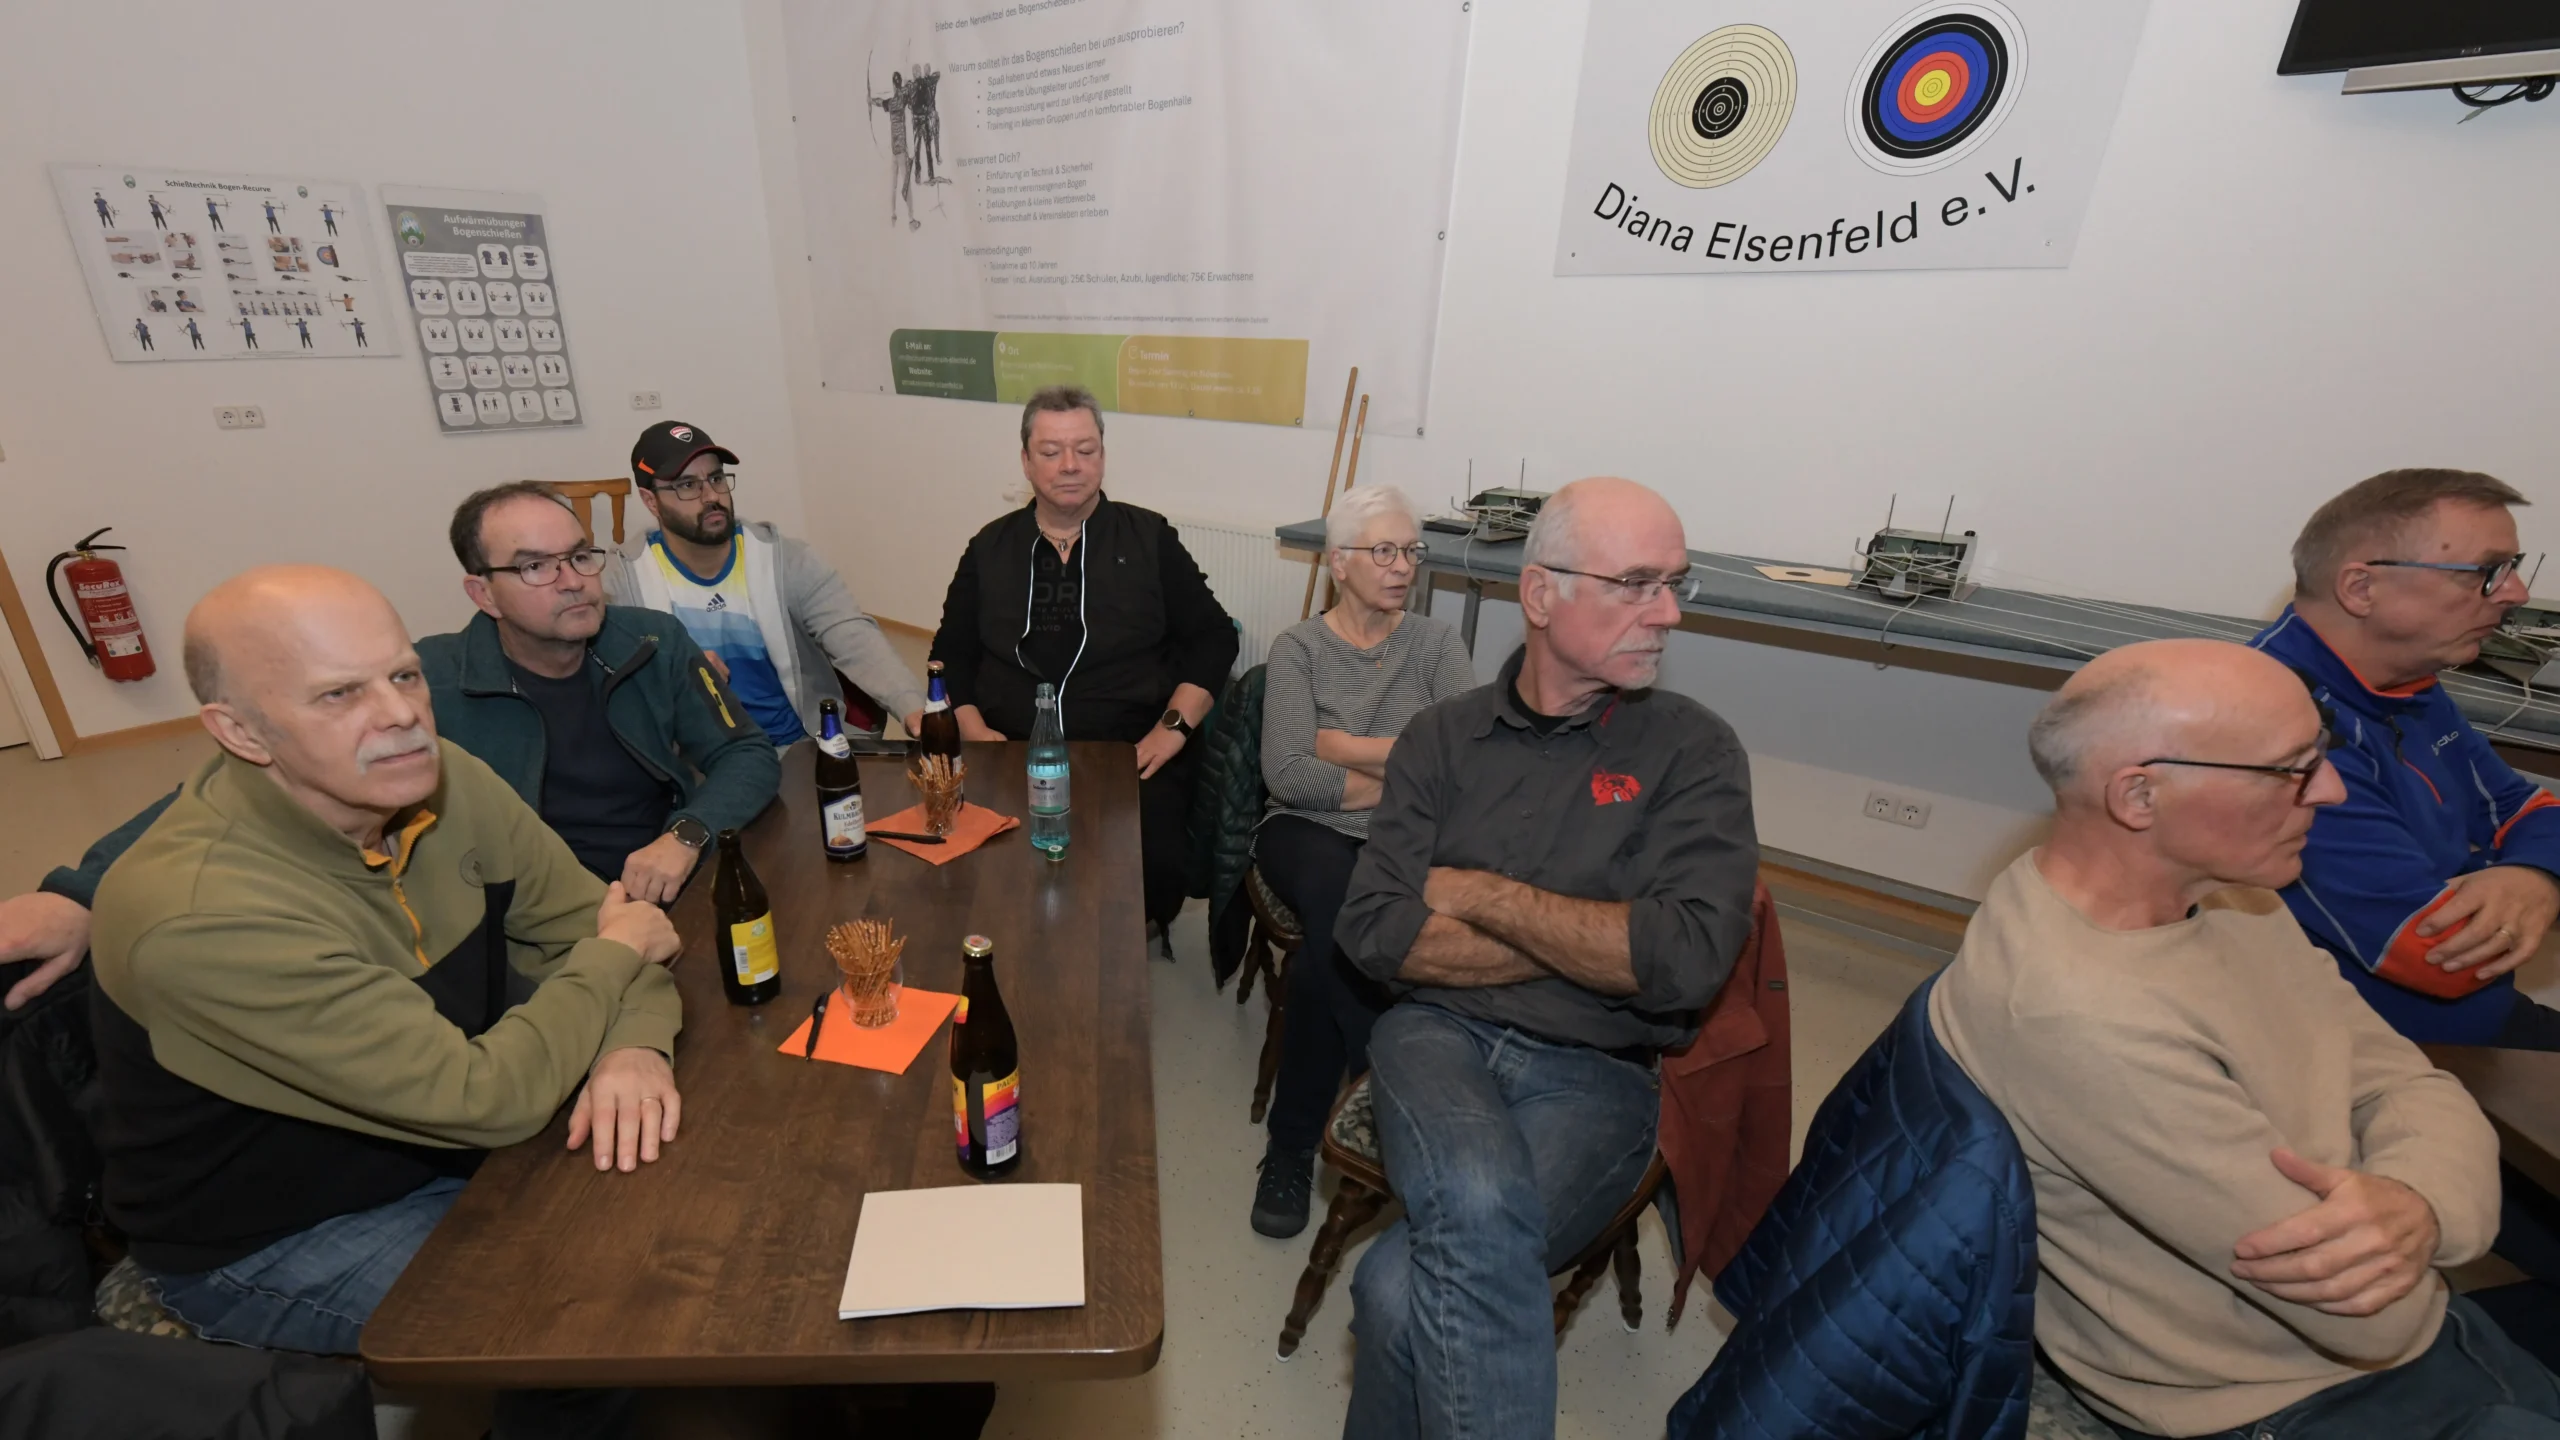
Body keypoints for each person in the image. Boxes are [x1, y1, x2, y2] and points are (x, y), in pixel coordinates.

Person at [87, 566, 682, 1435]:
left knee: (689, 1201)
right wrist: (612, 958)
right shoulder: (203, 915)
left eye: (404, 674)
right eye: (339, 694)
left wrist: (634, 1043)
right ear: (239, 731)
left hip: (447, 1140)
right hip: (273, 1237)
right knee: (588, 1317)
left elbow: (596, 924)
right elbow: (492, 1092)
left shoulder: (441, 777)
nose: (401, 713)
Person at [1932, 638, 2543, 1440]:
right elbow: (2373, 1321)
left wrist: (2417, 1202)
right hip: (2292, 1396)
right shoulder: (2083, 1017)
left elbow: (2407, 1080)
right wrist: (2427, 1196)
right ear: (2139, 796)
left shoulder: (2230, 896)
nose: (2330, 790)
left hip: (2413, 1334)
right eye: (2292, 769)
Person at [1332, 476, 1758, 1439]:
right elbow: (1376, 934)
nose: (1669, 612)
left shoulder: (1694, 751)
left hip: (1599, 1070)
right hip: (1433, 1038)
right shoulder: (1442, 739)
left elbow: (1689, 961)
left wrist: (1483, 894)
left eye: (1675, 583)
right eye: (1637, 583)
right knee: (1479, 1197)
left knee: (1396, 1289)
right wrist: (1605, 937)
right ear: (1539, 593)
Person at [2247, 469, 2559, 1049]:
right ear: (2361, 588)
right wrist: (2524, 874)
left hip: (2476, 1024)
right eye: (2486, 571)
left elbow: (2531, 810)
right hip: (2381, 1058)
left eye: (2514, 567)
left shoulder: (2406, 683)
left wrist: (2531, 875)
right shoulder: (2269, 726)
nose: (2516, 593)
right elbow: (2438, 955)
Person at [929, 386, 1240, 958]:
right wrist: (972, 729)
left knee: (1148, 868)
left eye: (1085, 449)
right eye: (1051, 452)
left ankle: (1111, 949)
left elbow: (1214, 636)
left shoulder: (1149, 537)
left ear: (1102, 455)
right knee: (980, 866)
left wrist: (1173, 727)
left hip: (1128, 752)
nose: (1069, 465)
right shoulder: (990, 547)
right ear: (1026, 461)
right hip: (1008, 747)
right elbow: (951, 650)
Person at [1248, 483, 1476, 1239]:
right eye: (1384, 551)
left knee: (1325, 961)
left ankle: (1290, 1146)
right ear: (1339, 562)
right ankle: (1386, 1083)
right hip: (1302, 831)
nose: (1403, 566)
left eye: (1411, 551)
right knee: (1340, 898)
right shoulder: (1299, 650)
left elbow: (1462, 762)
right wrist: (1402, 768)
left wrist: (1340, 744)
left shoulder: (1438, 646)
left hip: (1402, 835)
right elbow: (1288, 773)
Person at [605, 420, 927, 748]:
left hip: (797, 747)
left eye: (716, 478)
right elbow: (607, 679)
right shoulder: (624, 583)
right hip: (698, 760)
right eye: (687, 485)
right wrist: (675, 669)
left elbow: (851, 634)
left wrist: (912, 705)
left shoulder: (785, 559)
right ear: (651, 501)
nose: (711, 496)